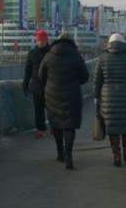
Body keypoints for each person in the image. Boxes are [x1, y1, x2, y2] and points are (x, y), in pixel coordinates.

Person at [92, 33, 126, 167]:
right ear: (123, 44)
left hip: (107, 99)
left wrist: (96, 95)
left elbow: (96, 81)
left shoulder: (102, 59)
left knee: (112, 126)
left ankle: (117, 155)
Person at [38, 32, 90, 170]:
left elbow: (40, 76)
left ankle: (60, 153)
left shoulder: (49, 56)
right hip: (72, 95)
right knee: (69, 126)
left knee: (56, 124)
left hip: (52, 95)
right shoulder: (76, 56)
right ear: (71, 42)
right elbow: (85, 77)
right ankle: (69, 157)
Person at [22, 30, 51, 139]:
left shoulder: (52, 52)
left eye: (42, 40)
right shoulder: (32, 53)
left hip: (50, 85)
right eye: (38, 40)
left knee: (52, 109)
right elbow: (27, 70)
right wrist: (25, 84)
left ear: (46, 40)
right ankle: (41, 129)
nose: (40, 43)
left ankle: (55, 127)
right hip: (36, 86)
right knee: (38, 110)